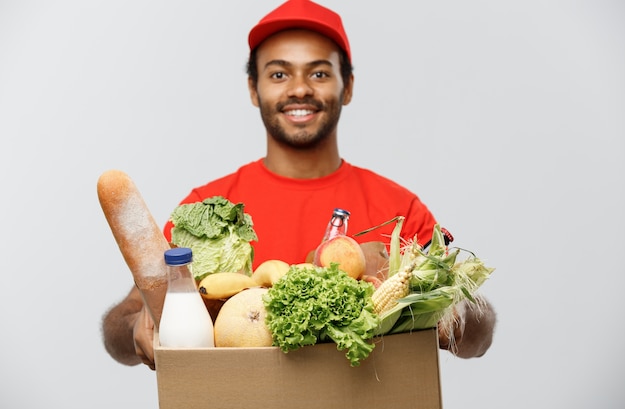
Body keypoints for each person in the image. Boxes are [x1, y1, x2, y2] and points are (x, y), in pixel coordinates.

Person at [102, 0, 496, 370]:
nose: (300, 88)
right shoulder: (208, 209)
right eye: (278, 73)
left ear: (349, 86)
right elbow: (122, 322)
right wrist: (137, 326)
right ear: (254, 90)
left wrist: (453, 314)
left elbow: (479, 335)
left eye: (320, 73)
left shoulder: (398, 210)